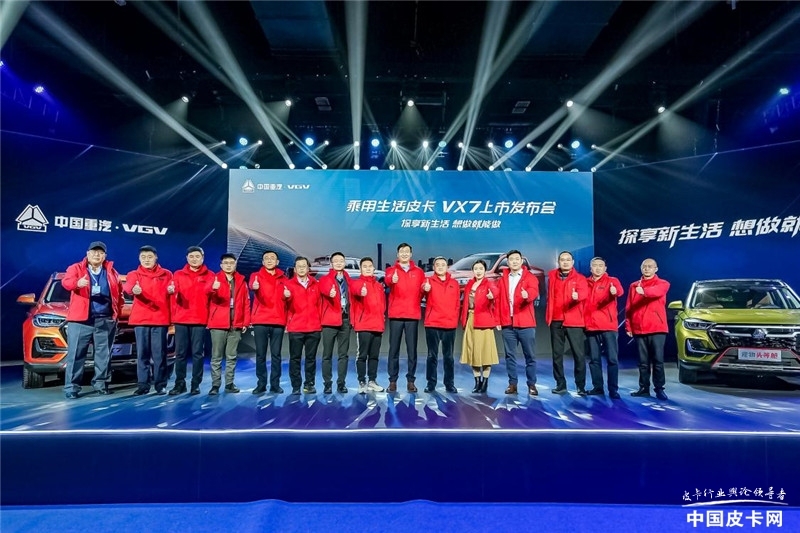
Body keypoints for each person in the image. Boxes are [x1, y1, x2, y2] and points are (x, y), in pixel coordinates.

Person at [61, 241, 124, 399]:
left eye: (100, 252)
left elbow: (120, 294)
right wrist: (77, 283)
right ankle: (72, 387)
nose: (97, 255)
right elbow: (66, 282)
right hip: (81, 321)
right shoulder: (76, 268)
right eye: (94, 252)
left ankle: (101, 384)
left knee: (103, 355)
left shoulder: (111, 272)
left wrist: (116, 314)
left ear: (105, 256)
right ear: (87, 254)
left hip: (105, 320)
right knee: (76, 355)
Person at [124, 245, 172, 396]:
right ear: (139, 259)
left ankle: (160, 385)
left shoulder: (166, 274)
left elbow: (173, 291)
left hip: (160, 319)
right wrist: (133, 290)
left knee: (159, 355)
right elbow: (128, 287)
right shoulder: (134, 274)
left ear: (155, 258)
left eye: (149, 257)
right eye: (143, 257)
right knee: (142, 355)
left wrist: (172, 291)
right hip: (141, 320)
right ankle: (143, 385)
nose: (146, 260)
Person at [169, 245, 213, 396]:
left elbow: (213, 298)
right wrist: (172, 291)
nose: (194, 259)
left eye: (197, 256)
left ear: (203, 258)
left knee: (197, 353)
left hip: (200, 320)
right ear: (187, 258)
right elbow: (173, 291)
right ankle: (179, 384)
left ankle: (195, 384)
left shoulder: (210, 275)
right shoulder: (178, 274)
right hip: (181, 319)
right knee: (180, 354)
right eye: (191, 256)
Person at [625, 258, 671, 401]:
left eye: (650, 266)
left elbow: (656, 292)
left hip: (657, 328)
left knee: (658, 361)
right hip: (639, 328)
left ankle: (659, 389)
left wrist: (643, 291)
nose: (646, 269)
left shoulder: (663, 283)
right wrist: (628, 325)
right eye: (644, 266)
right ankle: (644, 388)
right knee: (643, 362)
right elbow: (629, 307)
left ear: (656, 269)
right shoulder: (634, 286)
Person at [496, 249, 540, 396]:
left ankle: (532, 384)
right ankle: (512, 384)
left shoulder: (530, 277)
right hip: (508, 324)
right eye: (511, 259)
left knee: (530, 356)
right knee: (510, 356)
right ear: (508, 262)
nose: (514, 261)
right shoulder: (503, 279)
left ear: (521, 261)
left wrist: (528, 295)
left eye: (517, 259)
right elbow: (499, 301)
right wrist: (498, 320)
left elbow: (534, 291)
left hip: (526, 323)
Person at [545, 251, 589, 396]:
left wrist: (578, 296)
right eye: (562, 260)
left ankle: (580, 386)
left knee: (579, 355)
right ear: (558, 262)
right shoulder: (553, 276)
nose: (565, 262)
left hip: (574, 321)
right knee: (557, 355)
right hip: (556, 320)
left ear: (573, 262)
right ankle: (560, 384)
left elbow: (585, 293)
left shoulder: (580, 278)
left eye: (568, 260)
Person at [207, 253, 250, 395]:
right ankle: (215, 385)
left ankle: (229, 384)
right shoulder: (214, 278)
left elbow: (246, 302)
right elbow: (205, 296)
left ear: (235, 264)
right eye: (226, 263)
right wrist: (213, 288)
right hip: (218, 323)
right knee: (216, 357)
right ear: (221, 265)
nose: (229, 265)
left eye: (231, 263)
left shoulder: (241, 281)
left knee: (231, 356)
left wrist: (245, 322)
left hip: (235, 323)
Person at [385, 242, 426, 392]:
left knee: (412, 351)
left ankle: (411, 381)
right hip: (396, 315)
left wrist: (424, 291)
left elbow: (422, 291)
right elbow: (388, 280)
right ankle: (392, 381)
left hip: (412, 315)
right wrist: (392, 280)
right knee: (393, 350)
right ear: (397, 254)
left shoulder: (419, 272)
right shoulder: (391, 270)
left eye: (407, 251)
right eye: (401, 251)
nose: (404, 254)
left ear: (411, 254)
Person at [249, 250, 289, 395]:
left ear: (277, 262)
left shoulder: (284, 279)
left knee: (276, 355)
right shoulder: (256, 276)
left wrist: (288, 296)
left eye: (272, 258)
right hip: (260, 320)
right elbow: (252, 285)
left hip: (278, 320)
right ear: (263, 262)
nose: (270, 260)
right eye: (267, 258)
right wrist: (254, 287)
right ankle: (261, 384)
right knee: (260, 354)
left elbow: (288, 301)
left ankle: (275, 384)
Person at [584, 257, 624, 399]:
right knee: (594, 360)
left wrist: (614, 291)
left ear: (605, 268)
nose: (598, 268)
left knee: (612, 359)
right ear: (591, 268)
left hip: (608, 326)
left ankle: (613, 389)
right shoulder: (585, 282)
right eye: (595, 265)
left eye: (601, 265)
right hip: (591, 326)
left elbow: (619, 292)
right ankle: (598, 387)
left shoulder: (612, 281)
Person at [284, 256, 322, 395]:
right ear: (295, 269)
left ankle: (309, 384)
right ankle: (296, 386)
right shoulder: (288, 285)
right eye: (298, 266)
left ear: (308, 268)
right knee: (295, 358)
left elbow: (320, 305)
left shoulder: (316, 284)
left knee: (311, 359)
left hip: (314, 328)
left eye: (304, 266)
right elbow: (283, 306)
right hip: (296, 328)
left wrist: (319, 322)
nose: (301, 268)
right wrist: (285, 297)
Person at [460, 259, 499, 393]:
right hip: (471, 320)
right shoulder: (470, 284)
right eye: (476, 269)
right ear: (473, 270)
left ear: (485, 270)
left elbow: (495, 291)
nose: (478, 271)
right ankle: (477, 382)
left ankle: (485, 381)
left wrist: (492, 296)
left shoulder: (489, 283)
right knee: (473, 352)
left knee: (485, 352)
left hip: (484, 322)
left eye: (481, 269)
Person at [422, 256, 460, 393]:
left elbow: (457, 304)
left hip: (449, 324)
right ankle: (431, 383)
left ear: (447, 267)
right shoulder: (428, 281)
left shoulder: (454, 283)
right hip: (433, 323)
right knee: (432, 355)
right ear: (434, 267)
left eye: (443, 264)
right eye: (437, 265)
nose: (440, 267)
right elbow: (421, 293)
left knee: (448, 357)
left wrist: (454, 319)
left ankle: (449, 384)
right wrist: (425, 289)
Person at [348, 257, 386, 393]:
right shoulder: (356, 283)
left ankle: (372, 381)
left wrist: (382, 318)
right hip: (363, 325)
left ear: (374, 269)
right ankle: (362, 382)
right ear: (361, 269)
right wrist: (361, 291)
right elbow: (356, 290)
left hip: (377, 325)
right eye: (365, 266)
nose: (368, 268)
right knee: (362, 355)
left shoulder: (379, 286)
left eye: (370, 266)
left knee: (374, 356)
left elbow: (383, 305)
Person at [318, 252, 352, 394]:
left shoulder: (349, 280)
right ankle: (327, 384)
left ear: (344, 263)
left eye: (341, 260)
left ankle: (341, 383)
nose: (338, 263)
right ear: (331, 264)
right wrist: (330, 293)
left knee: (343, 355)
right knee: (327, 355)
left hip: (345, 320)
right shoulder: (325, 279)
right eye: (336, 261)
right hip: (329, 322)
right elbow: (323, 289)